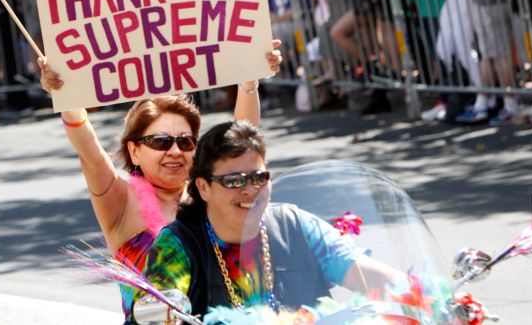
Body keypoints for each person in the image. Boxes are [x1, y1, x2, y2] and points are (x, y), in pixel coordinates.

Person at [37, 44, 282, 320]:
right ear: (134, 151)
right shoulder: (120, 199)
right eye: (160, 142)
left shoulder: (209, 192)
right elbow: (89, 150)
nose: (175, 151)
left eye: (185, 142)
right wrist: (66, 96)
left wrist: (249, 83)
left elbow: (243, 146)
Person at [137, 120, 402, 319]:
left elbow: (366, 274)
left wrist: (431, 296)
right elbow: (158, 314)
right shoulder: (179, 244)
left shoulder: (295, 224)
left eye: (259, 177)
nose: (250, 189)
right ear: (203, 188)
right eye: (234, 181)